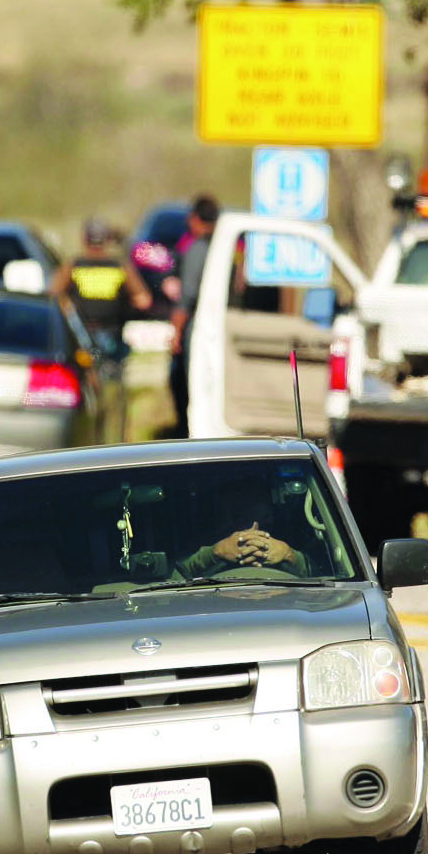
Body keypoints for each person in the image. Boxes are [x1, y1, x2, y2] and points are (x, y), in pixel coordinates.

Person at [47, 218, 152, 359]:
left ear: (84, 240)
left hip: (83, 334)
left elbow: (53, 294)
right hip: (111, 334)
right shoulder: (120, 266)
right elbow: (143, 299)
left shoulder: (74, 265)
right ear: (107, 240)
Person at [175, 476, 308, 578]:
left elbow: (324, 574)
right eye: (243, 521)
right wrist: (213, 554)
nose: (252, 533)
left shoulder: (294, 535)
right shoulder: (197, 544)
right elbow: (170, 580)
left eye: (265, 520)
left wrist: (290, 555)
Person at [168, 195, 219, 438]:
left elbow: (186, 297)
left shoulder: (197, 249)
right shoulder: (227, 247)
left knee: (190, 387)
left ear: (196, 219)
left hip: (199, 330)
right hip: (222, 327)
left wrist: (176, 333)